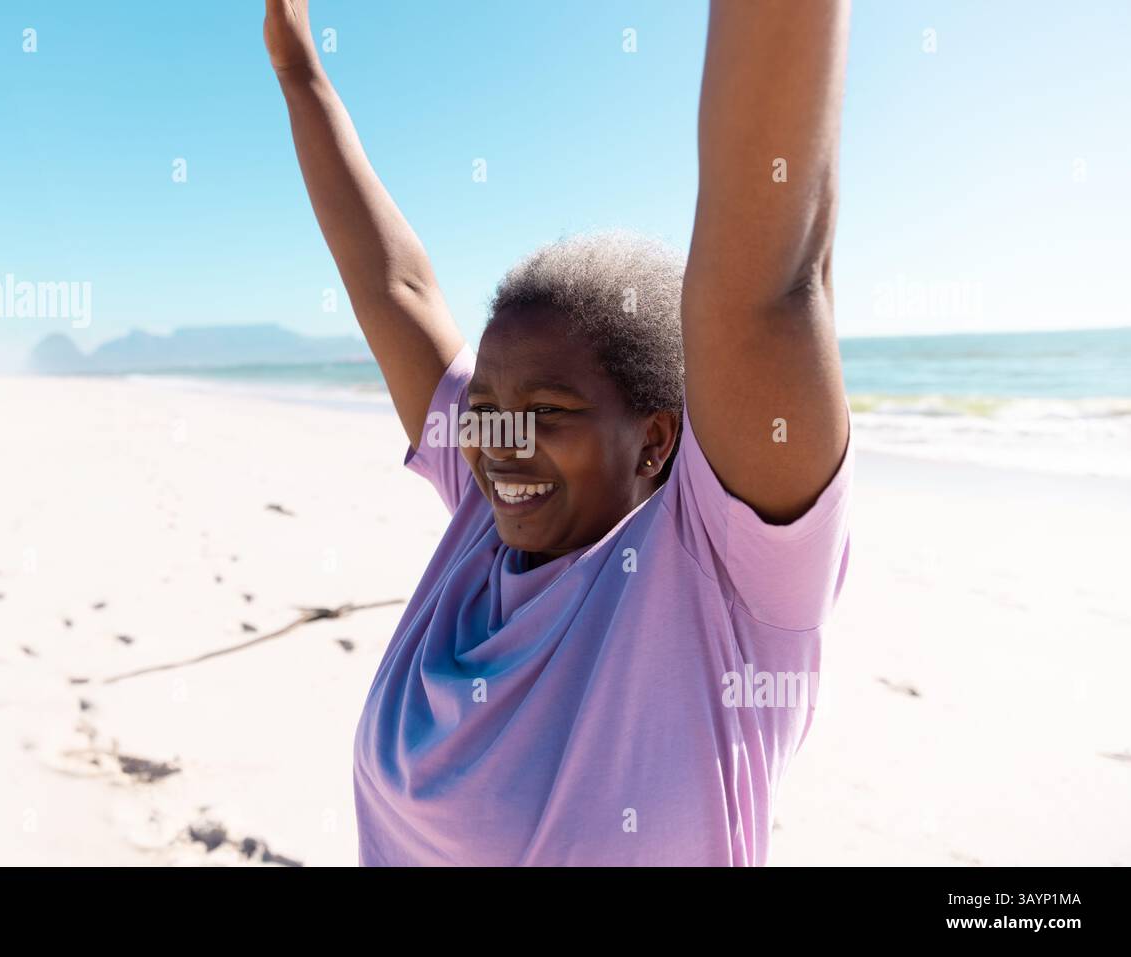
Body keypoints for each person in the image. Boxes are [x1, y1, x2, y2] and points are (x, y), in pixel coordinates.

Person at [265, 0, 853, 866]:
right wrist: (296, 68)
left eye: (545, 412)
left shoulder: (724, 581)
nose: (501, 438)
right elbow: (394, 284)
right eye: (488, 406)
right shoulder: (483, 509)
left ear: (656, 441)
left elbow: (765, 285)